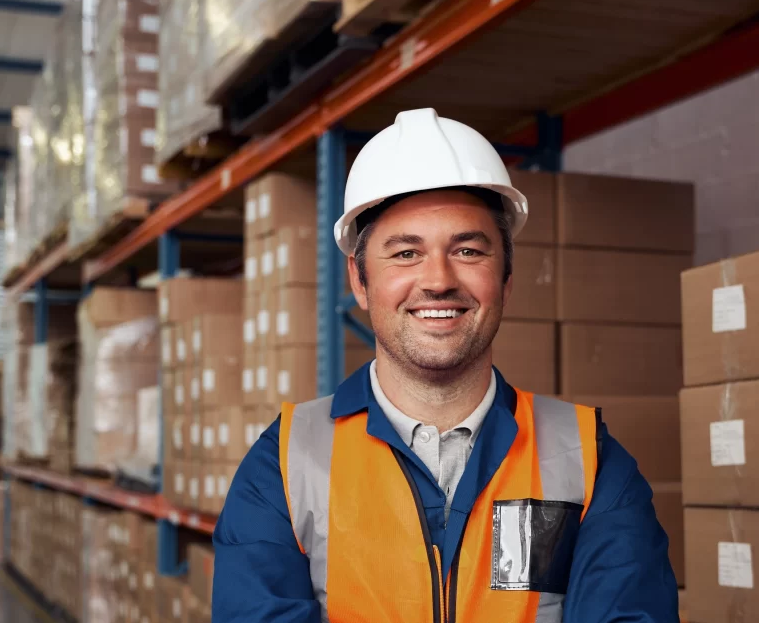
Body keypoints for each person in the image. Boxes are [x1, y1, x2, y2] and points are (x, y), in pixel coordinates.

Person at [212, 108, 679, 622]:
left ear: (505, 278)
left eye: (468, 250)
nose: (438, 280)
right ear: (360, 281)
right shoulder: (282, 464)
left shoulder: (588, 461)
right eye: (406, 253)